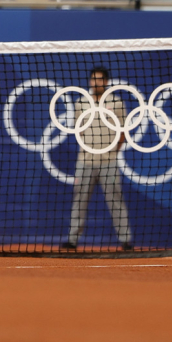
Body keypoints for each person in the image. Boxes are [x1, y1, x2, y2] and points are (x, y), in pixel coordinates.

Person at [61, 66, 133, 251]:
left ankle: (125, 240)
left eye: (100, 79)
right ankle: (72, 240)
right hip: (85, 161)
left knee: (116, 199)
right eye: (93, 79)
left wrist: (113, 151)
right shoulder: (81, 103)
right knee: (79, 200)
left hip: (109, 161)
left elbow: (122, 132)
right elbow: (78, 130)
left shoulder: (117, 103)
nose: (96, 82)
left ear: (106, 82)